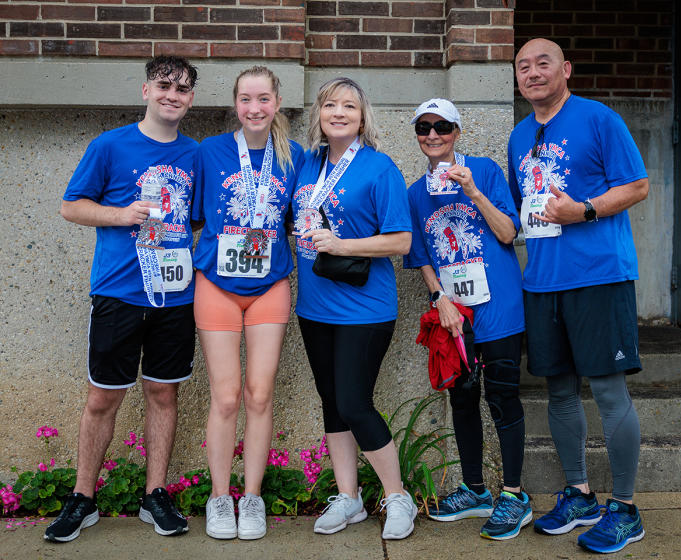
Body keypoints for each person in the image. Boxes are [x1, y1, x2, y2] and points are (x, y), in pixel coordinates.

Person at [46, 56, 198, 542]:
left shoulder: (195, 154)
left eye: (183, 89)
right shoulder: (109, 145)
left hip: (174, 295)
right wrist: (122, 215)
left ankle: (155, 496)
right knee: (103, 398)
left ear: (191, 99)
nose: (173, 95)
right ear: (145, 90)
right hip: (119, 291)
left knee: (162, 392)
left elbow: (195, 219)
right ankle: (83, 498)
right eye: (164, 86)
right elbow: (71, 206)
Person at [509, 39, 649, 554]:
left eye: (542, 63)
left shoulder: (598, 118)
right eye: (523, 67)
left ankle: (627, 508)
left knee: (609, 391)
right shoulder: (520, 136)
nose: (532, 73)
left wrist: (584, 209)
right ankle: (580, 494)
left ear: (565, 69)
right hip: (543, 282)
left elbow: (636, 186)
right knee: (560, 392)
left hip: (598, 276)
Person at [291, 78, 415, 540]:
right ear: (319, 115)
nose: (338, 112)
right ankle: (349, 499)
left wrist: (342, 244)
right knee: (332, 405)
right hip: (314, 306)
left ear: (363, 117)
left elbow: (401, 240)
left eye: (349, 106)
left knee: (354, 403)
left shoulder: (380, 168)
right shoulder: (307, 164)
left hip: (365, 307)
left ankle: (398, 496)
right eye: (329, 105)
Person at [403, 98, 529, 540]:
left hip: (499, 309)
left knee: (502, 396)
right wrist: (439, 299)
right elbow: (420, 255)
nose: (432, 135)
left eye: (441, 126)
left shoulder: (486, 171)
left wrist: (473, 191)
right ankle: (475, 489)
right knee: (462, 397)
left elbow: (509, 232)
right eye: (424, 127)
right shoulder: (416, 193)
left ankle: (513, 496)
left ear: (457, 131)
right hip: (454, 315)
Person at [192, 66, 304, 541]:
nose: (254, 108)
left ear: (277, 102)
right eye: (245, 99)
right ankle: (220, 498)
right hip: (216, 285)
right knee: (227, 395)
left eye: (263, 99)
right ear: (234, 104)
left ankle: (252, 498)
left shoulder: (295, 156)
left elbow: (299, 219)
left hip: (269, 286)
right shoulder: (210, 151)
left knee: (259, 394)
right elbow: (196, 215)